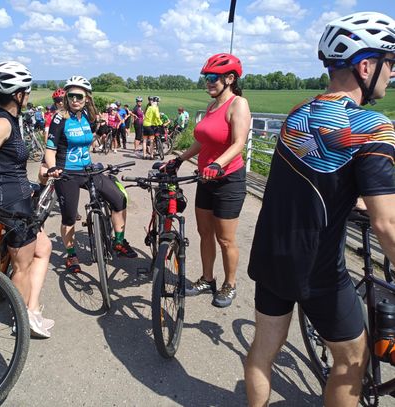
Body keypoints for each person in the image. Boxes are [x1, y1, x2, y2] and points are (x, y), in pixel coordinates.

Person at [244, 12, 395, 407]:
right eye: (389, 63)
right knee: (352, 360)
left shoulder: (297, 114)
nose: (391, 74)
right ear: (366, 65)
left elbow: (316, 175)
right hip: (320, 269)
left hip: (271, 254)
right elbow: (387, 222)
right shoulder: (373, 126)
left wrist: (353, 194)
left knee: (263, 351)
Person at [0, 60, 54, 338]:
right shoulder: (3, 123)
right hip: (11, 202)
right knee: (22, 266)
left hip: (19, 196)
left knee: (44, 248)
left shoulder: (11, 120)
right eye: (27, 91)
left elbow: (8, 166)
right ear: (18, 94)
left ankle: (33, 309)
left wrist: (38, 181)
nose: (29, 96)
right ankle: (21, 320)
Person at [162, 53, 250, 308]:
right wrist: (179, 159)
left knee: (225, 238)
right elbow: (202, 140)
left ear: (230, 79)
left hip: (228, 179)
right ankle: (207, 279)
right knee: (204, 232)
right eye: (206, 78)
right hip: (206, 177)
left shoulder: (238, 104)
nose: (208, 82)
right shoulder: (211, 107)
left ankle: (230, 283)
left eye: (213, 78)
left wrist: (217, 164)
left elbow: (239, 144)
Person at [45, 75, 138, 274]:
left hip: (88, 169)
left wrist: (100, 132)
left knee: (119, 198)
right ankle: (71, 255)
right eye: (71, 96)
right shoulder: (60, 118)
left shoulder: (86, 115)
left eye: (79, 96)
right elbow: (50, 149)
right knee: (69, 217)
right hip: (66, 171)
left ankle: (119, 242)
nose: (74, 100)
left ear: (87, 97)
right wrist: (52, 168)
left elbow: (90, 139)